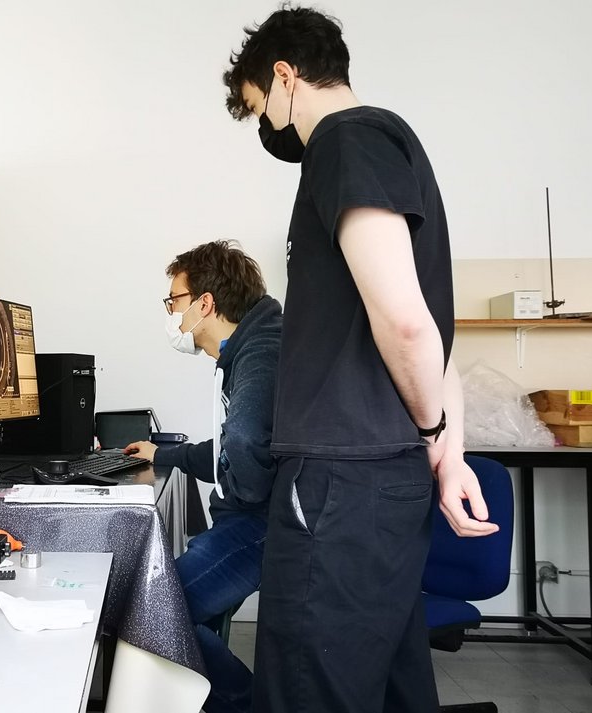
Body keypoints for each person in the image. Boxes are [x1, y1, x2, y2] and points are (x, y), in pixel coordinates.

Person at [221, 6, 500, 713]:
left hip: (340, 481)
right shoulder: (387, 143)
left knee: (308, 694)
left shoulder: (345, 140)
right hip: (376, 478)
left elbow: (405, 325)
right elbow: (430, 325)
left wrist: (438, 436)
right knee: (386, 687)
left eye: (261, 109)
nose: (267, 130)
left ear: (284, 75)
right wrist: (448, 451)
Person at [124, 240, 281, 713]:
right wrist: (170, 453)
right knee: (177, 616)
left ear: (204, 304)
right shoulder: (251, 345)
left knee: (152, 614)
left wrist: (238, 494)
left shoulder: (262, 351)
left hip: (262, 524)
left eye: (174, 302)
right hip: (255, 518)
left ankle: (243, 702)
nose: (171, 314)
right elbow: (236, 441)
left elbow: (248, 443)